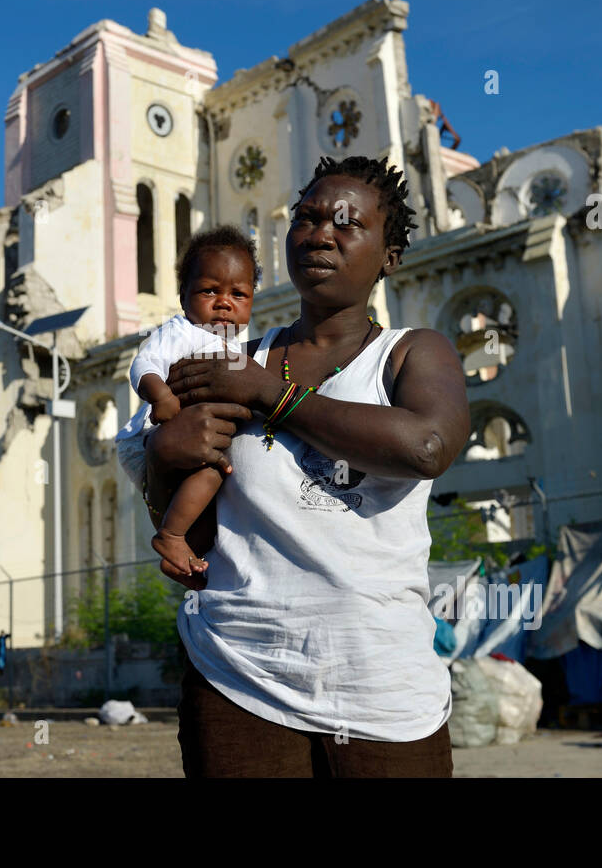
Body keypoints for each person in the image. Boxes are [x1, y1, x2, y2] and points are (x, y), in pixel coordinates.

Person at [118, 155, 470, 777]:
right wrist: (163, 459)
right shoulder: (225, 354)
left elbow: (426, 447)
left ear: (388, 255)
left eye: (345, 222)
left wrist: (268, 395)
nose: (320, 232)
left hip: (385, 688)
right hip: (240, 677)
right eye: (305, 218)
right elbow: (195, 533)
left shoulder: (410, 353)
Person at [117, 225, 261, 574]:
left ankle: (188, 553)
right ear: (184, 297)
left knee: (218, 481)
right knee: (213, 470)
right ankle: (172, 535)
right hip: (147, 436)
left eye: (238, 295)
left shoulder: (234, 350)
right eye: (210, 291)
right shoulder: (181, 332)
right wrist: (160, 395)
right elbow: (143, 363)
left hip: (187, 440)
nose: (224, 302)